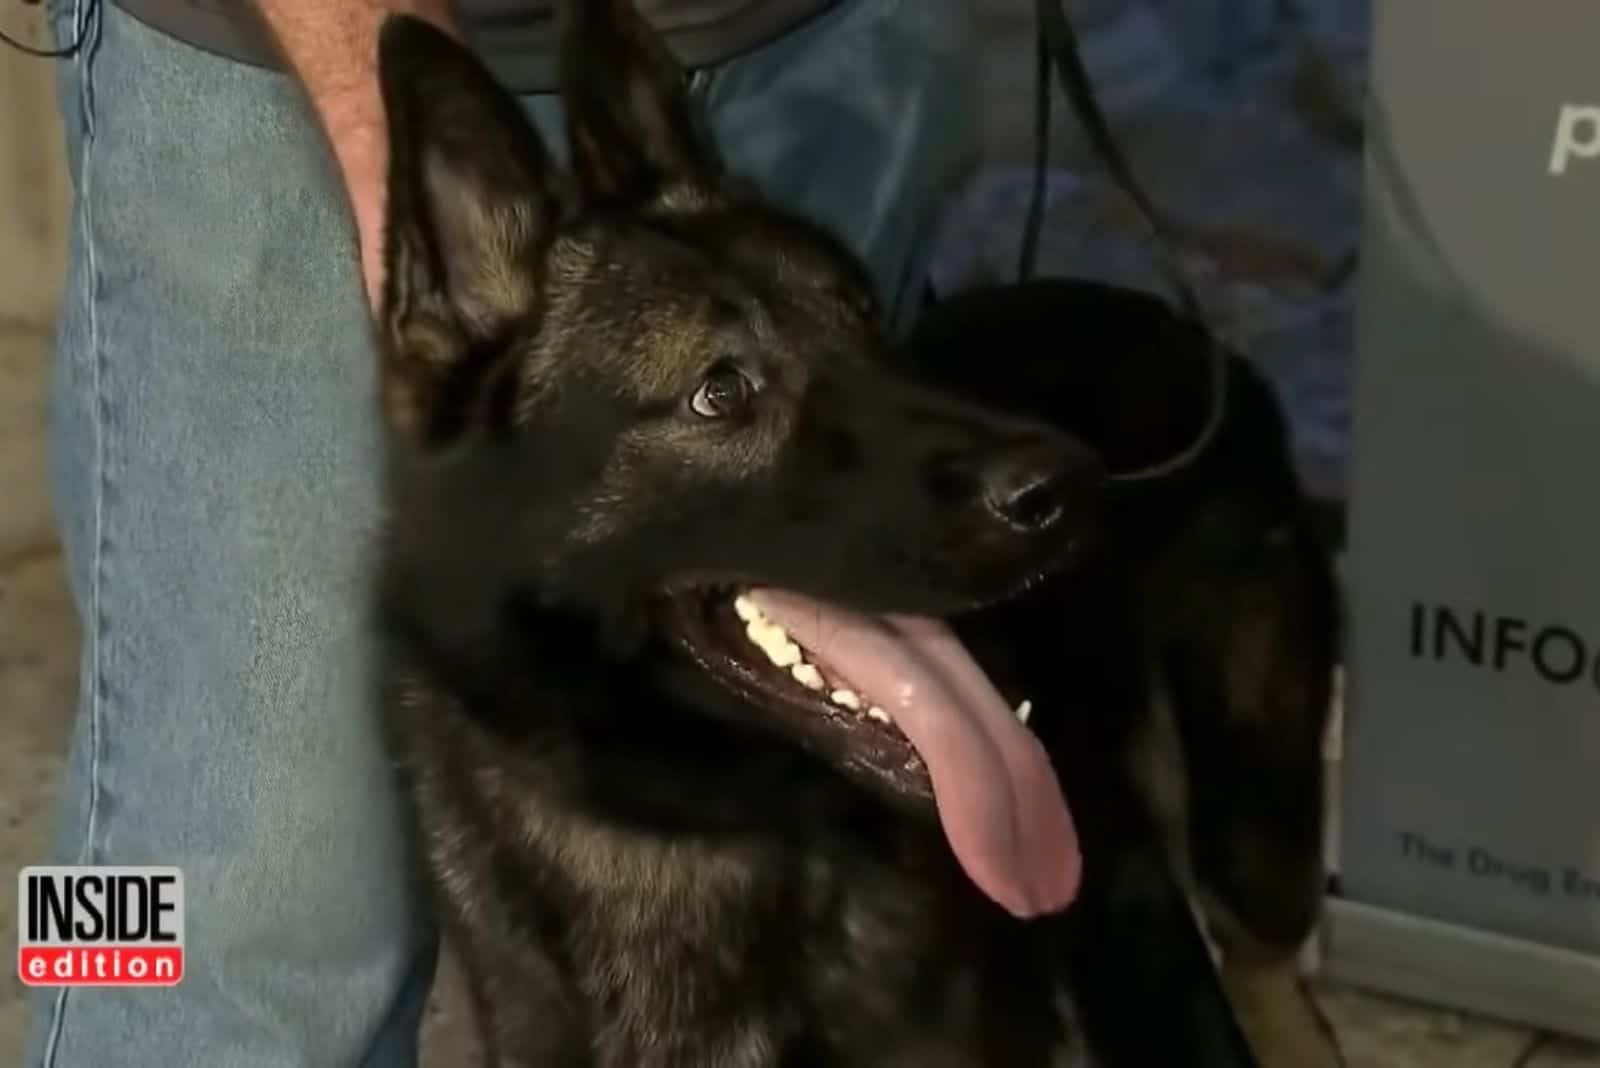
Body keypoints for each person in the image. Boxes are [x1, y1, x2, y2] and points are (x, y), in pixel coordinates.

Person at [24, 0, 977, 1063]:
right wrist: (395, 160)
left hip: (814, 41)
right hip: (288, 60)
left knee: (779, 898)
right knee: (212, 880)